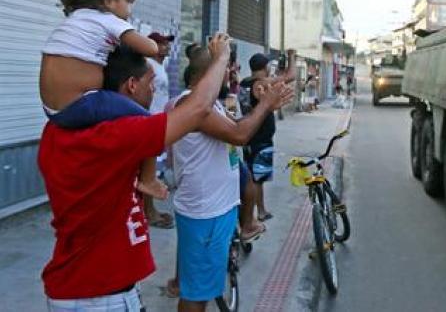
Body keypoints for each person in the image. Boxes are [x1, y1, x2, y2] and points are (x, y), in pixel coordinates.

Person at [38, 34, 233, 311]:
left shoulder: (59, 131)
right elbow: (198, 108)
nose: (154, 92)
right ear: (131, 85)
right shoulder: (114, 135)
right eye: (150, 84)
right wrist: (222, 57)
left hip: (82, 287)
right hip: (99, 296)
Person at [169, 45, 291, 311]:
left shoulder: (205, 103)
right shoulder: (193, 105)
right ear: (209, 72)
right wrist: (266, 105)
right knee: (196, 295)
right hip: (207, 212)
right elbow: (239, 135)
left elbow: (235, 127)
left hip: (214, 208)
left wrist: (262, 106)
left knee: (199, 284)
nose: (231, 73)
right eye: (226, 68)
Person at [40, 0, 165, 200]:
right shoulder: (108, 20)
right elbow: (150, 48)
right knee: (149, 122)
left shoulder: (74, 20)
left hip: (52, 109)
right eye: (128, 1)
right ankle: (148, 180)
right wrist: (136, 36)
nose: (129, 8)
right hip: (79, 104)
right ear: (109, 1)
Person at [240, 50, 295, 221]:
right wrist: (292, 57)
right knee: (258, 178)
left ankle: (258, 210)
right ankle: (260, 212)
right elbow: (291, 75)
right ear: (265, 67)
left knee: (253, 176)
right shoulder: (260, 84)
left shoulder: (245, 83)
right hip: (260, 138)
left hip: (250, 134)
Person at [146, 31, 176, 229]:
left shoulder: (160, 66)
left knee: (153, 170)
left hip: (158, 122)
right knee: (149, 172)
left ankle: (149, 210)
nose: (166, 47)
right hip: (149, 121)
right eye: (162, 43)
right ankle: (149, 212)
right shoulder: (148, 65)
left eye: (167, 43)